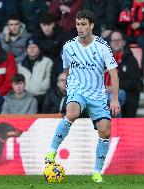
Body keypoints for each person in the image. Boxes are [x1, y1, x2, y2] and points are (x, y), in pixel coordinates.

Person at [44, 10, 120, 183]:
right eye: (77, 24)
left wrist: (114, 99)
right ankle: (51, 152)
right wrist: (71, 87)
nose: (80, 27)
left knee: (105, 131)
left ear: (92, 26)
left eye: (83, 24)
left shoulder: (102, 46)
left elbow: (114, 73)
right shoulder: (69, 46)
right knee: (71, 113)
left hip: (97, 95)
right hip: (78, 90)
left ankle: (97, 172)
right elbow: (67, 69)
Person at [108, 30, 140, 118]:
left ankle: (117, 128)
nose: (116, 43)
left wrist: (114, 87)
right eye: (114, 40)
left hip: (124, 93)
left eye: (119, 40)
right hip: (103, 92)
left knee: (114, 97)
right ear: (110, 43)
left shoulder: (131, 60)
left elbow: (134, 82)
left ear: (123, 42)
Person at [18, 36, 53, 113]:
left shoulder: (47, 62)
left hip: (41, 96)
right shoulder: (21, 65)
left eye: (34, 47)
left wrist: (38, 88)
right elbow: (19, 80)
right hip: (25, 97)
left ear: (39, 48)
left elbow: (49, 79)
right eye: (29, 47)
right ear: (26, 49)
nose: (32, 49)